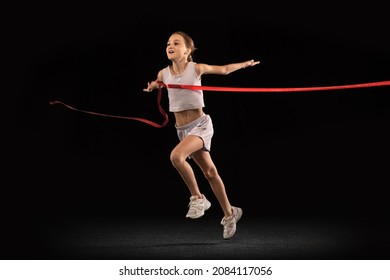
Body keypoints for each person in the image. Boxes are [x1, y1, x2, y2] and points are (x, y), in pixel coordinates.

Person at [143, 31, 260, 240]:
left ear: (188, 50)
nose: (170, 45)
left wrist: (244, 64)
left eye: (176, 43)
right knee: (210, 172)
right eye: (168, 43)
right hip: (182, 130)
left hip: (201, 125)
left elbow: (223, 70)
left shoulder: (195, 68)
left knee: (176, 157)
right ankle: (230, 213)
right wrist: (153, 86)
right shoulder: (163, 73)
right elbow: (158, 82)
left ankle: (198, 198)